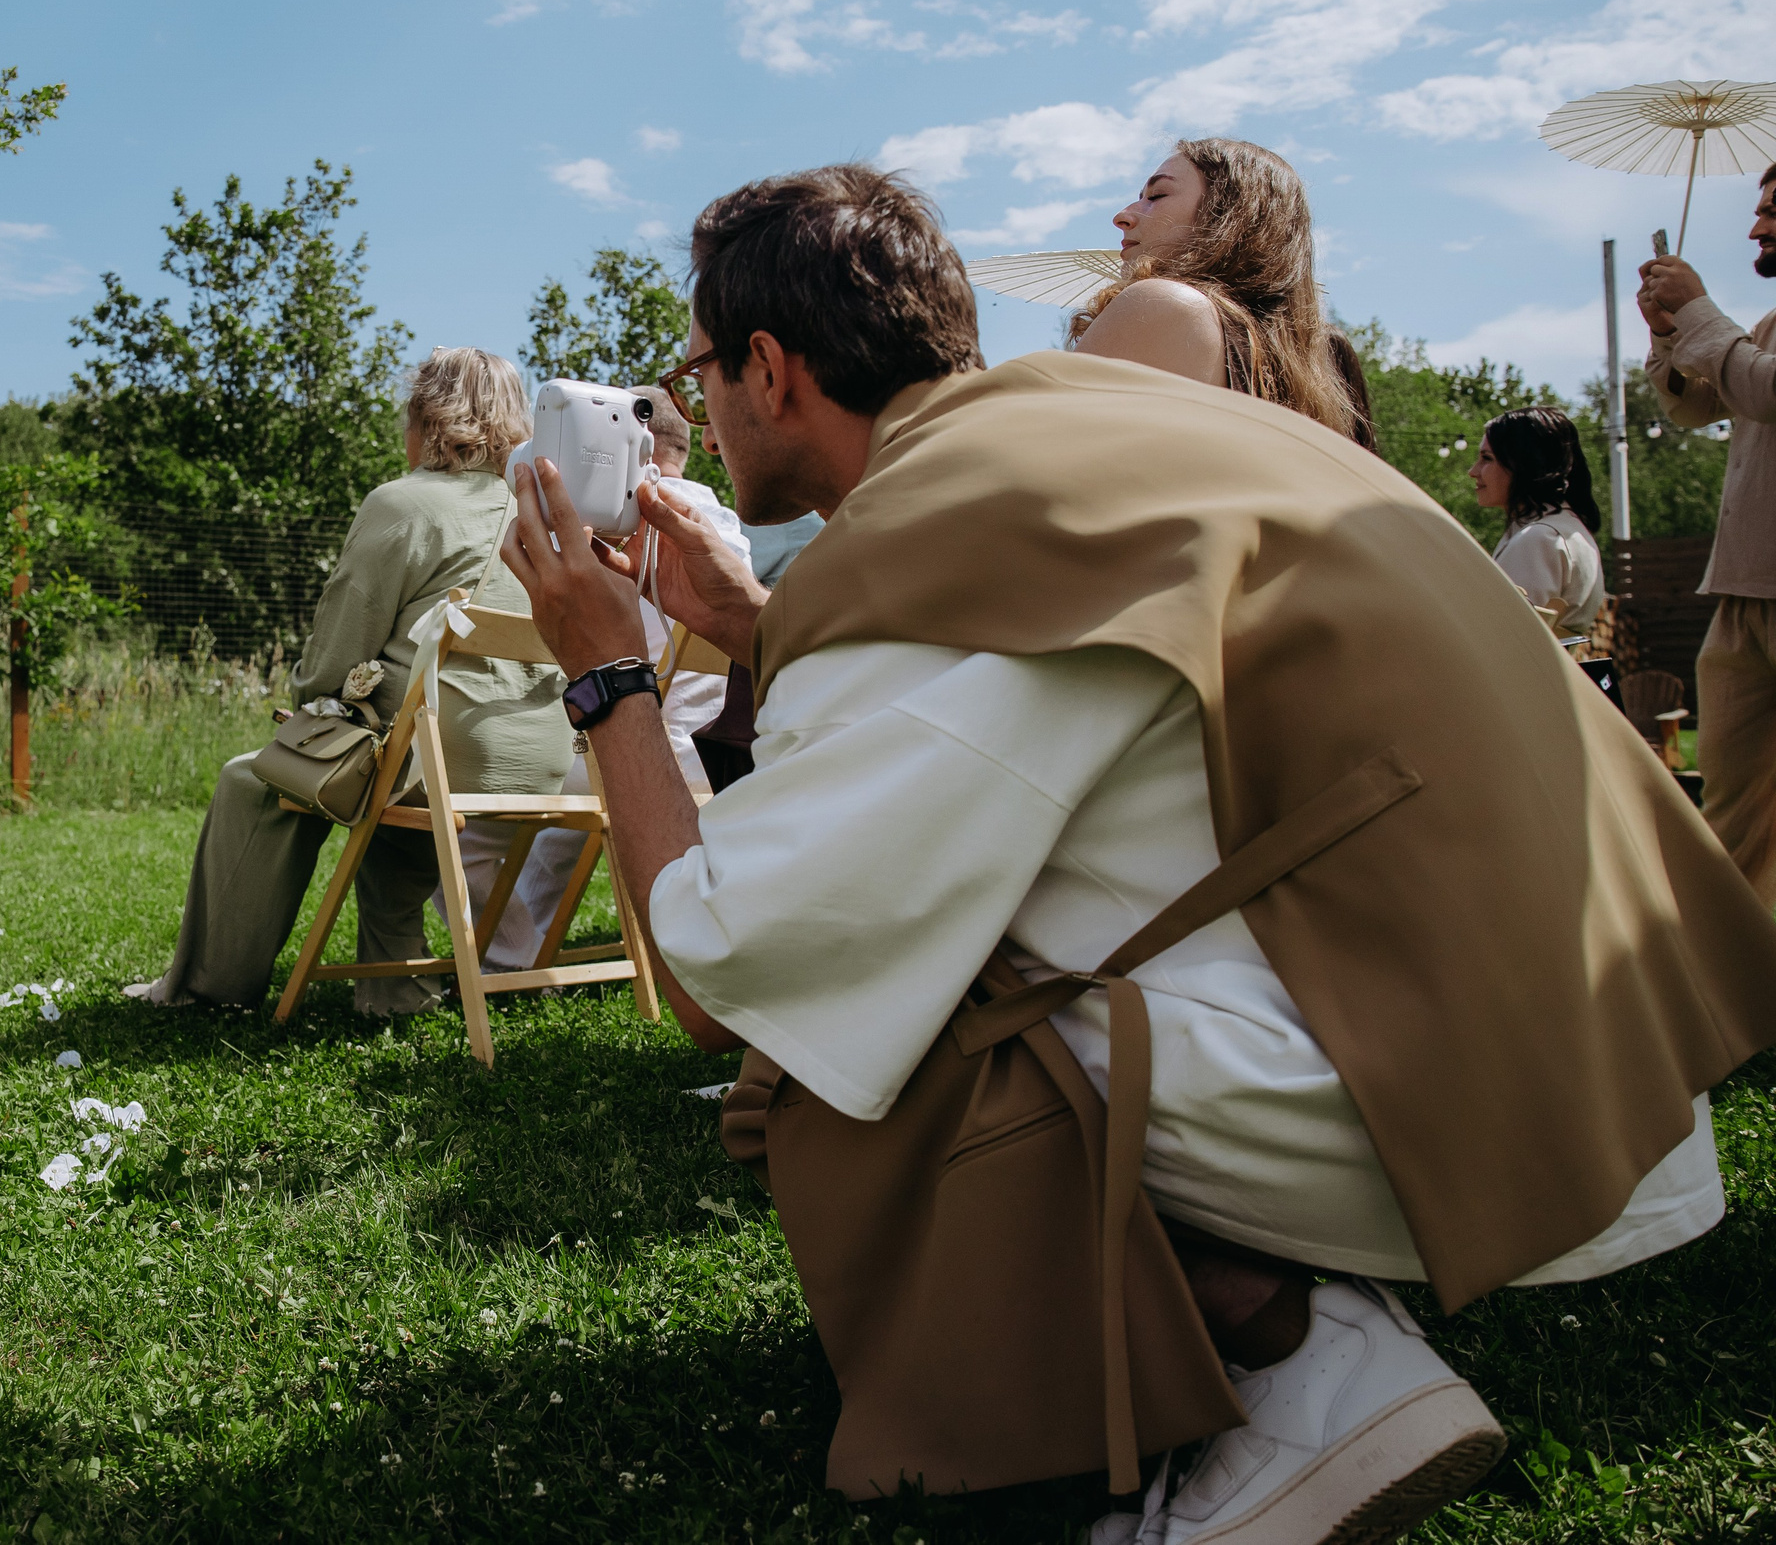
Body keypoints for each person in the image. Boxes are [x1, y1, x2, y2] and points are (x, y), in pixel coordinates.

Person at [503, 163, 1776, 1540]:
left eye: (699, 365)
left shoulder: (934, 547)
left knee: (849, 1021)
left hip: (1498, 1118)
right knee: (932, 930)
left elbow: (717, 967)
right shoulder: (1076, 439)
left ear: (769, 365)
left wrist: (607, 674)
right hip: (1607, 1054)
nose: (693, 396)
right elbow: (1027, 688)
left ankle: (1302, 1354)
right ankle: (1267, 1300)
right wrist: (761, 623)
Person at [131, 347, 570, 1015]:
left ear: (427, 417)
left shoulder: (404, 503)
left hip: (441, 756)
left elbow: (339, 651)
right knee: (395, 796)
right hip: (540, 757)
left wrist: (310, 702)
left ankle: (204, 988)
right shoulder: (540, 512)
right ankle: (395, 986)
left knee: (254, 781)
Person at [436, 386, 750, 971]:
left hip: (627, 746)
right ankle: (533, 951)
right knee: (565, 807)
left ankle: (509, 959)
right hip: (711, 765)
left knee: (470, 815)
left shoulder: (603, 527)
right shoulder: (727, 532)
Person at [1640, 162, 1776, 900]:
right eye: (1758, 209)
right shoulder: (1767, 327)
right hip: (1742, 595)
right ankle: (1734, 993)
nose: (1756, 226)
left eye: (1773, 210)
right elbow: (1697, 408)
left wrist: (1696, 311)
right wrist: (1667, 337)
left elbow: (1764, 389)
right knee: (1730, 822)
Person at [1072, 138, 1377, 448]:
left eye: (1157, 195)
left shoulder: (1163, 304)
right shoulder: (1292, 369)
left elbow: (1049, 454)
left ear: (1226, 216)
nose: (1122, 216)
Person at [1467, 407, 1604, 634]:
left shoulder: (1539, 539)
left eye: (1487, 458)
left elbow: (1505, 638)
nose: (1474, 471)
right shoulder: (1565, 528)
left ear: (1524, 463)